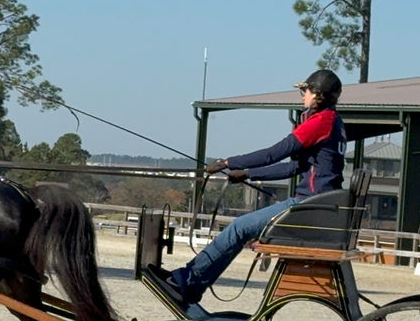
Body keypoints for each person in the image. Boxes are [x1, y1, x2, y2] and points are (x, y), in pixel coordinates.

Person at [147, 68, 347, 305]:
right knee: (241, 229)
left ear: (318, 95)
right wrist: (248, 174)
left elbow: (274, 153)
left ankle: (187, 282)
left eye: (305, 90)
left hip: (309, 207)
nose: (302, 94)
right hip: (317, 206)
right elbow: (293, 169)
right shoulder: (333, 122)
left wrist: (228, 162)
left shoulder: (321, 122)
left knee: (239, 227)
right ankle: (190, 282)